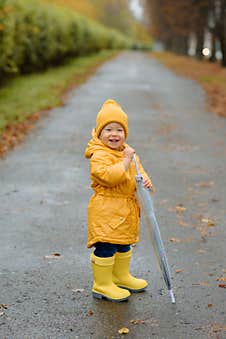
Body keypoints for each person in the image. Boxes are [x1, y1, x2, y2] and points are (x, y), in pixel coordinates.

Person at [84, 99, 154, 302]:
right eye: (108, 130)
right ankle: (102, 284)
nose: (114, 134)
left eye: (119, 130)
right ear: (99, 133)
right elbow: (109, 177)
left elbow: (138, 171)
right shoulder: (99, 155)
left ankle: (120, 276)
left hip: (126, 207)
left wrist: (146, 182)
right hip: (106, 208)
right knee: (107, 245)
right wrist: (124, 161)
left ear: (125, 133)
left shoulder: (128, 152)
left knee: (124, 244)